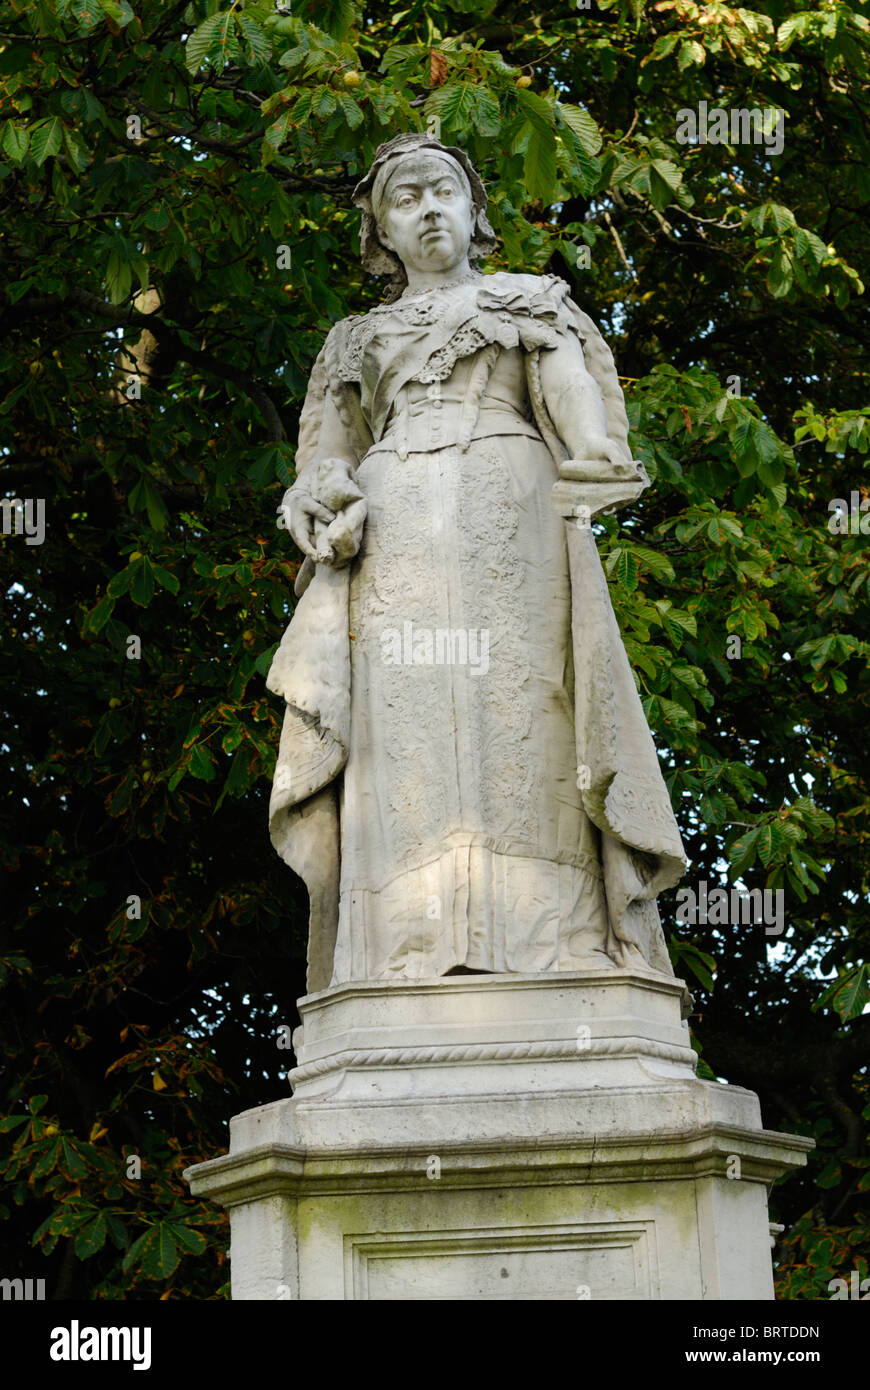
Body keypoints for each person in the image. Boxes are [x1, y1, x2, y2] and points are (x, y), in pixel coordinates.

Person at [267, 132, 686, 993]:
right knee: (404, 731)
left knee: (531, 700)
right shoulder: (357, 337)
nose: (428, 209)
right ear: (382, 231)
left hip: (512, 505)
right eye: (405, 199)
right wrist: (318, 496)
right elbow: (328, 456)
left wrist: (596, 449)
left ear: (472, 210)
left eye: (442, 192)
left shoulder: (529, 301)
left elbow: (572, 393)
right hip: (397, 527)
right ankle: (401, 947)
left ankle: (562, 944)